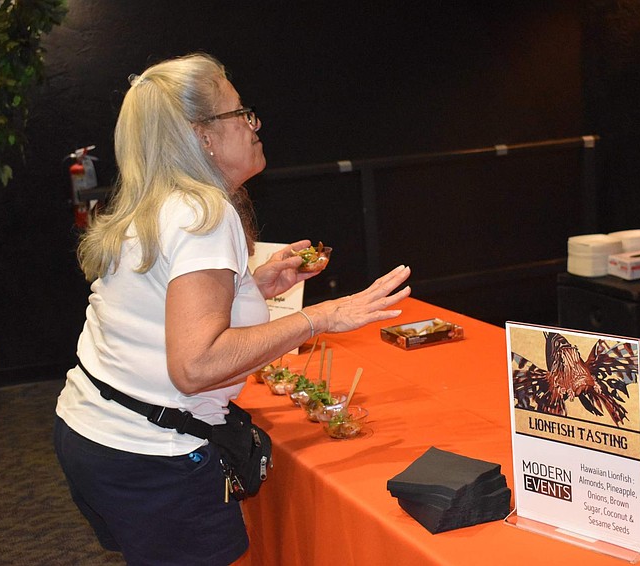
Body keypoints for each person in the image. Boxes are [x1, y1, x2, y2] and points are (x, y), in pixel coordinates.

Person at [53, 53, 412, 565]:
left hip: (92, 432)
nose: (253, 125)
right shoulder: (205, 212)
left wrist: (253, 287)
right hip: (153, 454)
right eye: (240, 113)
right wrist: (321, 316)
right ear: (202, 136)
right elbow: (196, 365)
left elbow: (160, 307)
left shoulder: (158, 200)